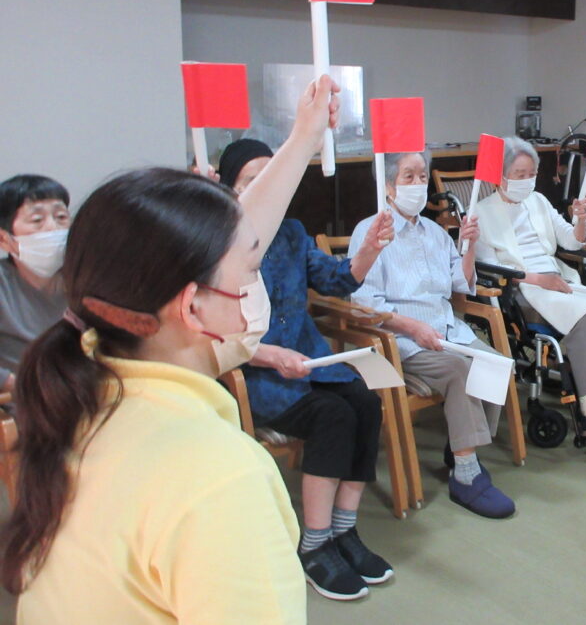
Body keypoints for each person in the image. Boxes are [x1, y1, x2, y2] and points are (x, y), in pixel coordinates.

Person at [0, 75, 339, 624]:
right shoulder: (219, 478)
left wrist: (304, 138)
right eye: (252, 271)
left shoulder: (82, 397)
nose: (254, 289)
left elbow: (226, 241)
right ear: (191, 309)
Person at [218, 138, 397, 601]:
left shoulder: (293, 232)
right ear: (228, 190)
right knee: (332, 416)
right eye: (249, 181)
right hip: (254, 375)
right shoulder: (213, 244)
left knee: (363, 401)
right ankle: (314, 543)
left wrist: (370, 251)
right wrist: (268, 356)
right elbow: (211, 334)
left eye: (270, 178)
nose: (263, 189)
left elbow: (338, 278)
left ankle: (344, 530)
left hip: (308, 361)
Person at [350, 150, 517, 519]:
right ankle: (467, 475)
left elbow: (461, 283)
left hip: (445, 330)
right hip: (400, 340)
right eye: (408, 177)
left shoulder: (437, 233)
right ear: (390, 187)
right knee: (460, 370)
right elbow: (365, 303)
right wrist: (410, 327)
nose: (418, 184)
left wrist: (469, 244)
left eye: (422, 176)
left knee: (497, 363)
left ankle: (460, 448)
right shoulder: (371, 231)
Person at [474, 137, 586, 436]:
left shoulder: (537, 200)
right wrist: (539, 280)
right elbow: (487, 265)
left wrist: (580, 220)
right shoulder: (482, 212)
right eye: (519, 174)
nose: (527, 181)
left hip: (557, 278)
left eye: (531, 174)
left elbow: (570, 240)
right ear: (500, 176)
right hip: (522, 289)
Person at [0, 174, 72, 397]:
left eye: (61, 217)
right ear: (5, 240)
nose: (53, 228)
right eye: (37, 220)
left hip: (90, 396)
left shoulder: (86, 277)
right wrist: (17, 385)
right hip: (26, 405)